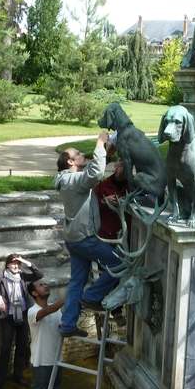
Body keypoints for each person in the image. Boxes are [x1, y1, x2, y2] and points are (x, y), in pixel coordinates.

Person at [54, 131, 120, 337]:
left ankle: (68, 324)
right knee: (120, 264)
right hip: (84, 238)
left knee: (76, 281)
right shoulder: (73, 180)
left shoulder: (68, 179)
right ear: (70, 161)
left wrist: (107, 152)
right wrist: (99, 142)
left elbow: (93, 171)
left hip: (74, 240)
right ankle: (92, 296)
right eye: (80, 155)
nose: (84, 156)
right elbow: (95, 174)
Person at [0, 254, 42, 389]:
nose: (16, 266)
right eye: (13, 263)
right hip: (8, 318)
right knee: (6, 350)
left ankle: (18, 376)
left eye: (18, 264)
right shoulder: (0, 278)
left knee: (21, 347)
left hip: (22, 316)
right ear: (7, 264)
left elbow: (39, 274)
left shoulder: (23, 276)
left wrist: (25, 262)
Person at [27, 280, 64, 389]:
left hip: (57, 359)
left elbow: (61, 328)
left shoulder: (56, 310)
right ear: (34, 293)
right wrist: (70, 297)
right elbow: (47, 312)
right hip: (41, 362)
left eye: (45, 283)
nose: (46, 285)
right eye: (41, 285)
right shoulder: (32, 311)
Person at [94, 159, 129, 240]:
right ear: (115, 167)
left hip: (127, 234)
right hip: (108, 234)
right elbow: (92, 205)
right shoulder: (103, 185)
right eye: (120, 165)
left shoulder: (132, 186)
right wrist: (104, 201)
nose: (120, 169)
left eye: (124, 166)